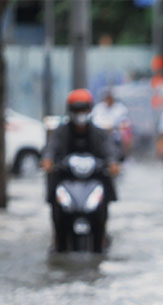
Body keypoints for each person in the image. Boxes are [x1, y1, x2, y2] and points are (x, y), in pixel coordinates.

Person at [41, 88, 121, 252]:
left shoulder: (98, 132)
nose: (80, 113)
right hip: (66, 179)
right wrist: (48, 160)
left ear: (90, 109)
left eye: (83, 109)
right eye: (77, 110)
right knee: (55, 194)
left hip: (93, 179)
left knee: (104, 193)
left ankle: (102, 235)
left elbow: (109, 149)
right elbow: (51, 147)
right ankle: (57, 237)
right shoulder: (61, 131)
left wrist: (113, 162)